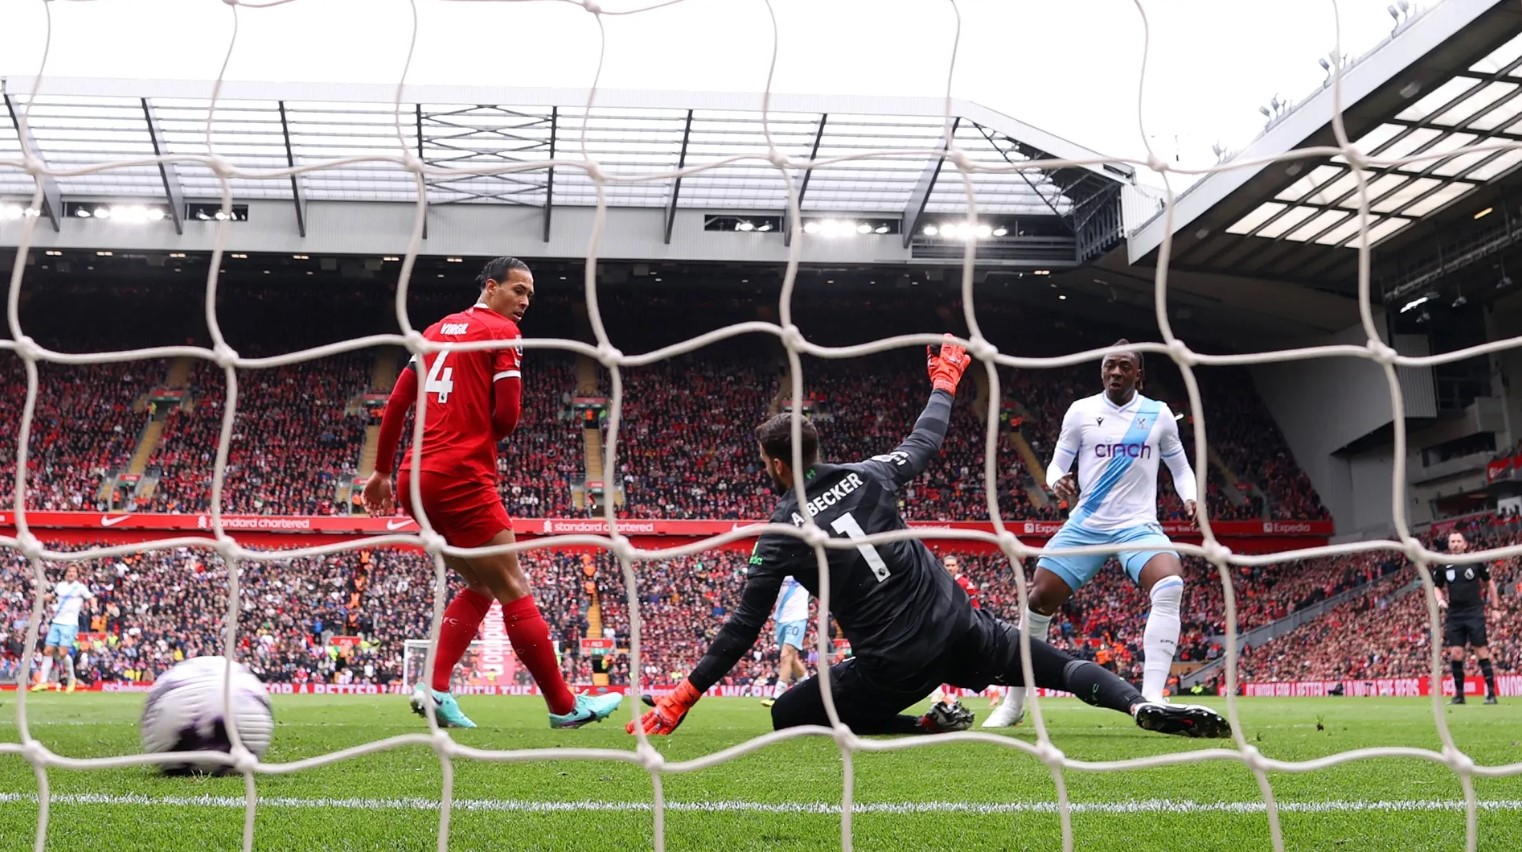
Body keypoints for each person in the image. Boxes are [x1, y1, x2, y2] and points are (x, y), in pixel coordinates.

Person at [629, 339, 1229, 740]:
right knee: (1058, 664)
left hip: (894, 665)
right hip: (961, 627)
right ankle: (1137, 704)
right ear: (815, 451)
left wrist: (684, 694)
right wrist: (943, 384)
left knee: (790, 714)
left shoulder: (781, 531)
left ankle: (924, 725)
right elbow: (925, 442)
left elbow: (742, 625)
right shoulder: (868, 473)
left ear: (776, 466)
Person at [364, 256, 622, 730]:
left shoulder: (435, 330)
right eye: (518, 290)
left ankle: (435, 687)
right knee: (513, 586)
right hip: (460, 474)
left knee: (480, 584)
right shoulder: (502, 333)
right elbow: (507, 418)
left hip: (411, 477)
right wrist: (475, 422)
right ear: (491, 286)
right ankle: (564, 706)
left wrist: (380, 471)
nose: (524, 302)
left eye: (529, 295)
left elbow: (398, 401)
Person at [986, 339, 1197, 728]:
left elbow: (1180, 466)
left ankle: (1152, 697)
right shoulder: (1081, 411)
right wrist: (1057, 482)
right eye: (1108, 366)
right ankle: (1014, 703)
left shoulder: (1159, 415)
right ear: (1101, 370)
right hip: (1087, 525)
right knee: (1038, 600)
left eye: (1123, 367)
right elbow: (1056, 465)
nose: (1115, 372)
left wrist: (1190, 497)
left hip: (1137, 525)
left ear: (1139, 374)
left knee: (1169, 584)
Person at [1433, 531, 1499, 705]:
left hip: (1474, 612)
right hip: (1454, 614)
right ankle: (1460, 695)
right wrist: (1440, 600)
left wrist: (1495, 607)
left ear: (1465, 544)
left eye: (1458, 541)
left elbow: (1489, 582)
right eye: (1452, 541)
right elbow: (1437, 587)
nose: (1455, 544)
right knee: (1456, 653)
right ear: (1449, 545)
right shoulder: (1444, 564)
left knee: (1481, 651)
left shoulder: (1475, 561)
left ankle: (1491, 694)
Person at [31, 565, 91, 693]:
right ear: (66, 573)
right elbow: (52, 597)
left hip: (70, 624)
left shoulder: (80, 587)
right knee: (48, 651)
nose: (71, 573)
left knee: (63, 653)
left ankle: (71, 679)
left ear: (77, 574)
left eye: (74, 571)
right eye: (69, 571)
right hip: (57, 621)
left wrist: (95, 607)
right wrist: (39, 596)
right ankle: (43, 682)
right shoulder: (60, 586)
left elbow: (91, 598)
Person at [761, 575, 809, 708]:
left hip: (798, 617)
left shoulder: (804, 566)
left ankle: (777, 695)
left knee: (785, 655)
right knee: (792, 659)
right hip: (780, 619)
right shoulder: (781, 567)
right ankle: (810, 688)